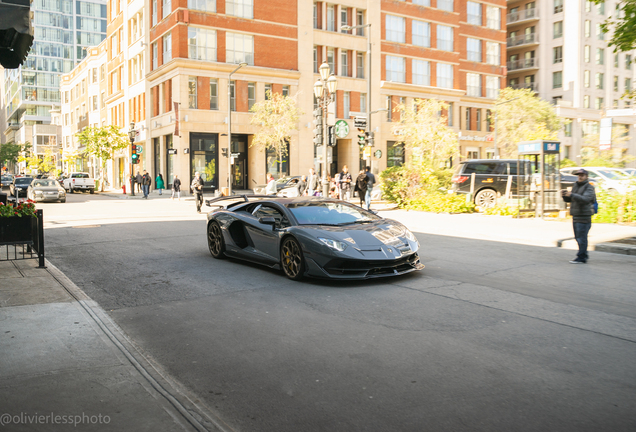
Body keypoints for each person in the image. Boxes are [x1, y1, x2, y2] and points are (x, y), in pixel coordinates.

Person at [561, 168, 596, 264]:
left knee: (582, 238)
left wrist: (572, 195)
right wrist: (565, 195)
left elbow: (585, 199)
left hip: (584, 216)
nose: (580, 177)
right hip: (576, 215)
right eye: (579, 175)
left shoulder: (589, 187)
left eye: (582, 175)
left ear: (586, 176)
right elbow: (571, 200)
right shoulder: (575, 186)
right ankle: (583, 255)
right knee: (578, 238)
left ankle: (582, 257)